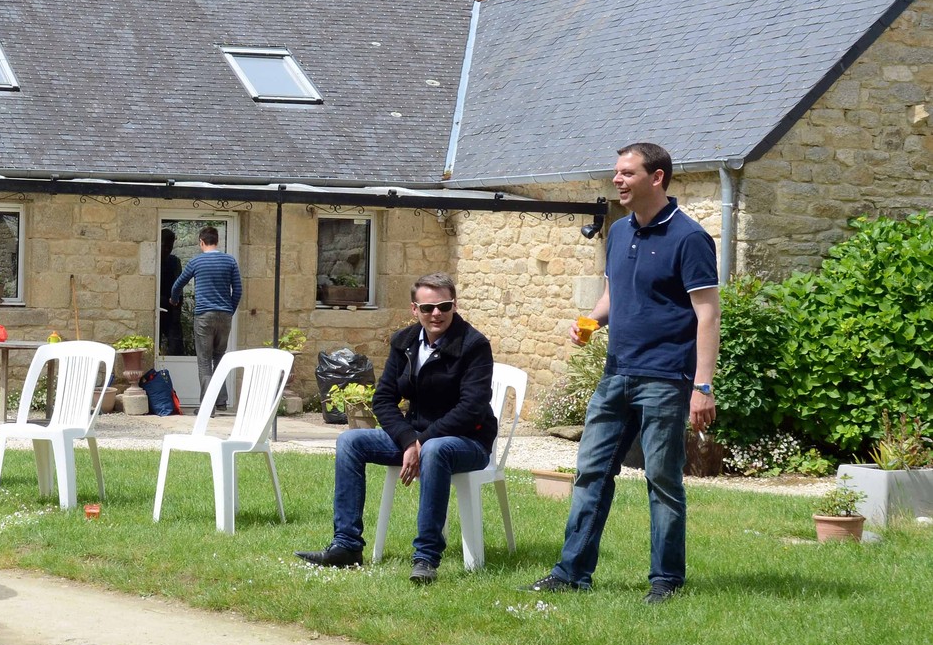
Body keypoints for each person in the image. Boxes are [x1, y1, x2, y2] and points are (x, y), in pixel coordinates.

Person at [524, 142, 720, 604]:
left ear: (657, 178)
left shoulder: (689, 238)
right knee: (591, 472)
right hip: (616, 374)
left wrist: (703, 386)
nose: (617, 180)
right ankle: (572, 573)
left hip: (666, 378)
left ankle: (666, 580)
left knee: (663, 479)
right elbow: (614, 295)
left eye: (627, 173)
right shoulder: (617, 233)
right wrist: (591, 322)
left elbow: (707, 315)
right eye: (617, 172)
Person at [296, 273, 496, 584]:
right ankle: (347, 547)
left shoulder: (474, 345)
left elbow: (471, 409)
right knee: (351, 441)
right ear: (414, 309)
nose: (436, 314)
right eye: (427, 308)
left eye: (444, 306)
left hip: (467, 441)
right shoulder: (404, 342)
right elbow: (383, 399)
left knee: (436, 448)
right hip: (416, 439)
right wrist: (408, 442)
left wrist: (421, 442)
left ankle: (426, 557)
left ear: (454, 306)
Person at [169, 226, 242, 404]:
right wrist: (229, 311)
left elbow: (177, 285)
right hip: (225, 316)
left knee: (204, 360)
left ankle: (208, 406)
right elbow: (238, 290)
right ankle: (221, 401)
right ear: (217, 241)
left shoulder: (196, 262)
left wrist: (174, 299)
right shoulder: (230, 261)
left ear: (201, 242)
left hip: (204, 315)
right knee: (219, 357)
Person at [158, 228, 184, 357]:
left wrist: (176, 310)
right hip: (156, 309)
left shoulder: (174, 261)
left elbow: (179, 287)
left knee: (176, 347)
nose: (167, 249)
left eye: (170, 246)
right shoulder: (154, 261)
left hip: (171, 309)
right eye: (165, 246)